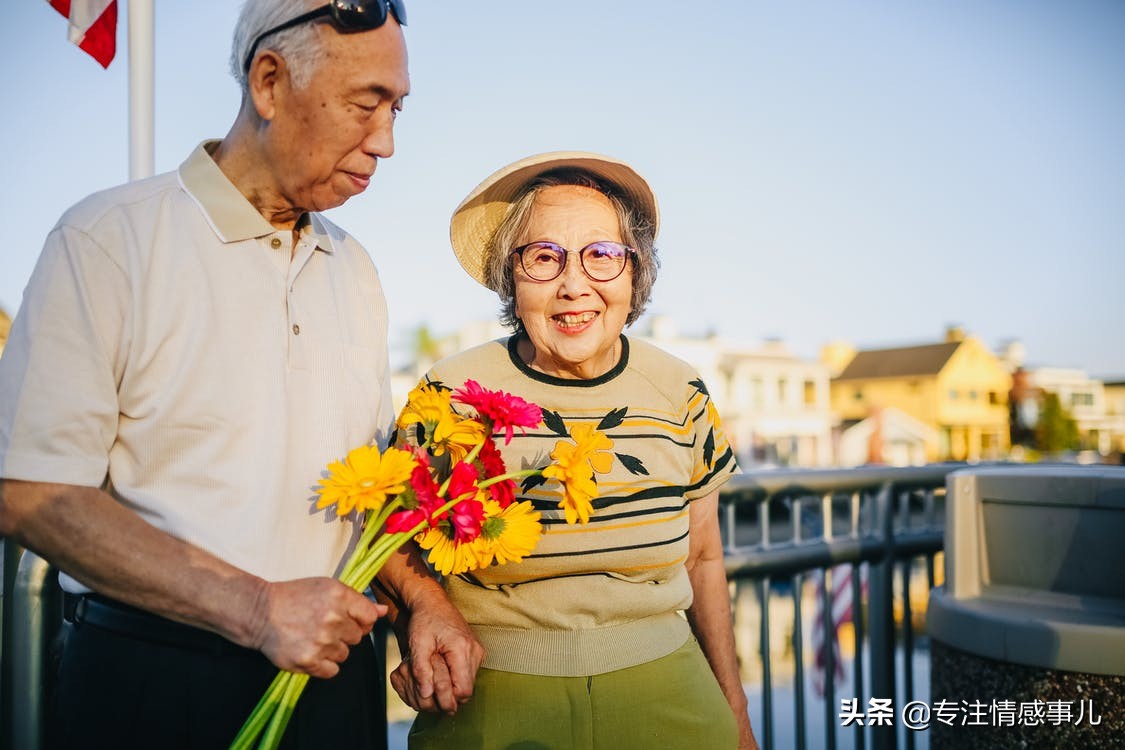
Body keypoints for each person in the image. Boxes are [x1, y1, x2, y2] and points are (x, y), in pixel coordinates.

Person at [0, 1, 480, 747]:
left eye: (397, 109)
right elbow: (29, 492)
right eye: (365, 105)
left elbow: (366, 496)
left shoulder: (354, 267)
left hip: (334, 682)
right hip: (154, 684)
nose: (385, 142)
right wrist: (256, 610)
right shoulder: (107, 238)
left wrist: (424, 602)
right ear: (268, 82)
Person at [391, 151, 759, 749]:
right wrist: (420, 621)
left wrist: (735, 711)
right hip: (491, 702)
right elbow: (388, 537)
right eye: (544, 257)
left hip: (672, 699)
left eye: (602, 255)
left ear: (635, 272)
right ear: (513, 277)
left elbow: (703, 558)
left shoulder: (680, 389)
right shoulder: (450, 394)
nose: (573, 284)